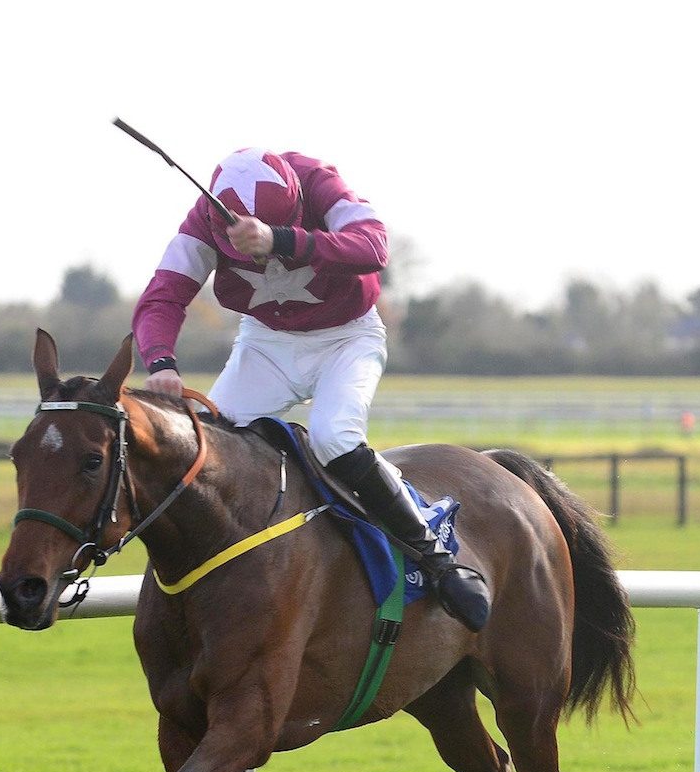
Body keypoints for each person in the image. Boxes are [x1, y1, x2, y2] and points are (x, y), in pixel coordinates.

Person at [133, 147, 490, 630]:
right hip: (266, 344)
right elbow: (163, 296)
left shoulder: (320, 182)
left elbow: (374, 248)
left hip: (348, 337)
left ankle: (438, 562)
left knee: (335, 438)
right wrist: (161, 361)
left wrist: (279, 239)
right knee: (210, 442)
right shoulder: (204, 219)